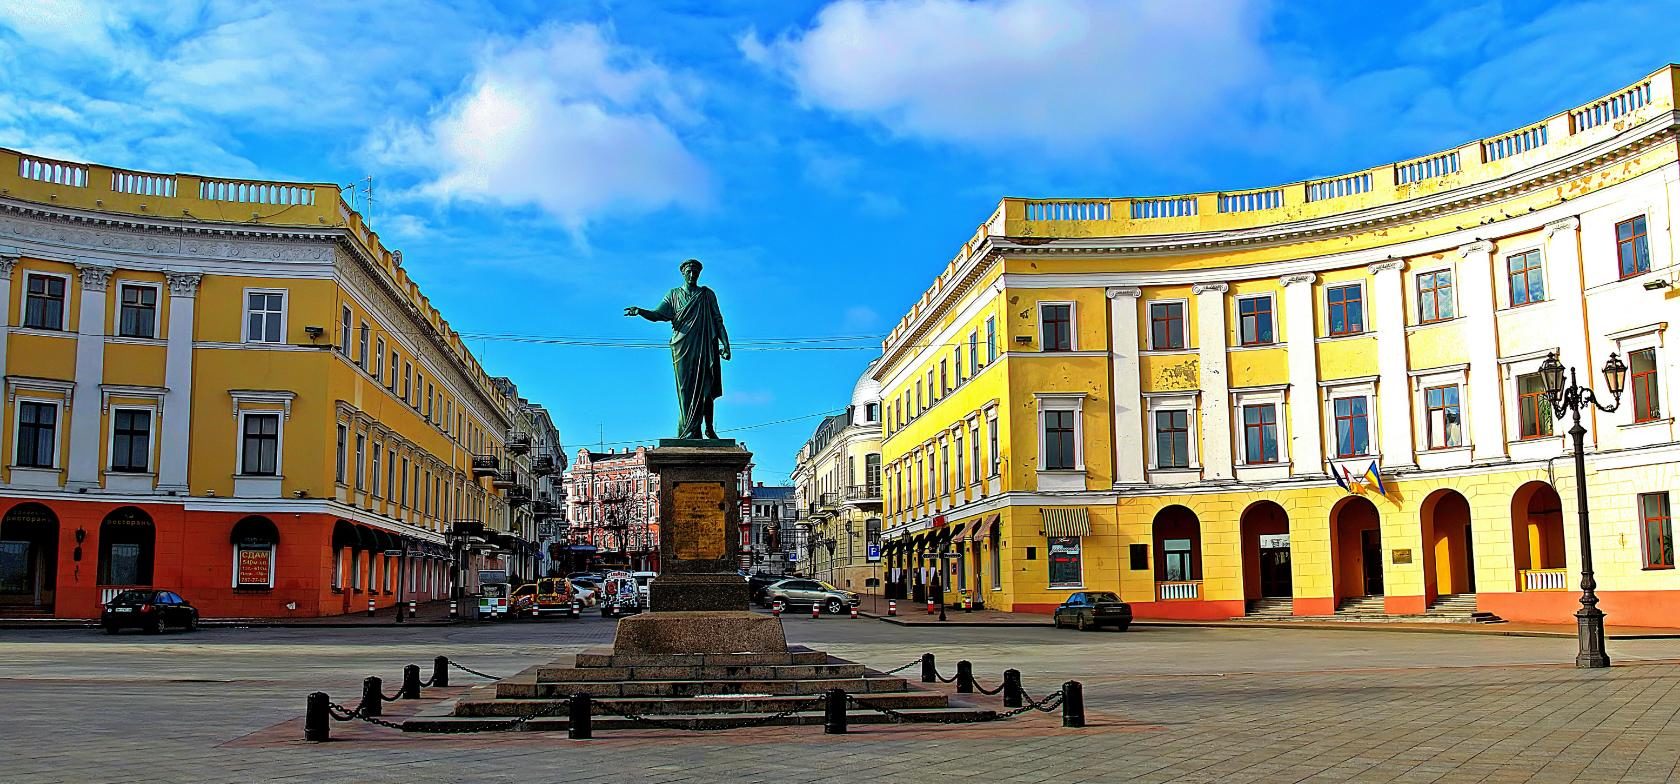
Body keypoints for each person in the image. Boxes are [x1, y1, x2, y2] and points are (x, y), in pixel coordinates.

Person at [624, 258, 731, 439]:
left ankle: (709, 428)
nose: (692, 275)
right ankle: (688, 431)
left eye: (695, 272)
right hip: (682, 348)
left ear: (699, 274)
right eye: (689, 271)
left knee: (706, 391)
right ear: (683, 273)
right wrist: (641, 311)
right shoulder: (673, 295)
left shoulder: (707, 295)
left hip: (705, 347)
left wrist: (726, 345)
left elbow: (718, 320)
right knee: (685, 393)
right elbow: (658, 314)